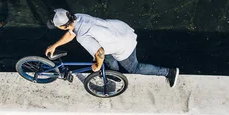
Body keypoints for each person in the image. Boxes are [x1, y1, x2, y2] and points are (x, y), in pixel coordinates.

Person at [46, 8, 179, 87]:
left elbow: (100, 52)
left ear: (63, 26)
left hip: (122, 44)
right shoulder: (78, 17)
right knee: (108, 58)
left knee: (134, 68)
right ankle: (115, 74)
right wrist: (55, 45)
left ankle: (169, 72)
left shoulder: (83, 37)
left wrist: (97, 67)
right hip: (118, 30)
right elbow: (71, 33)